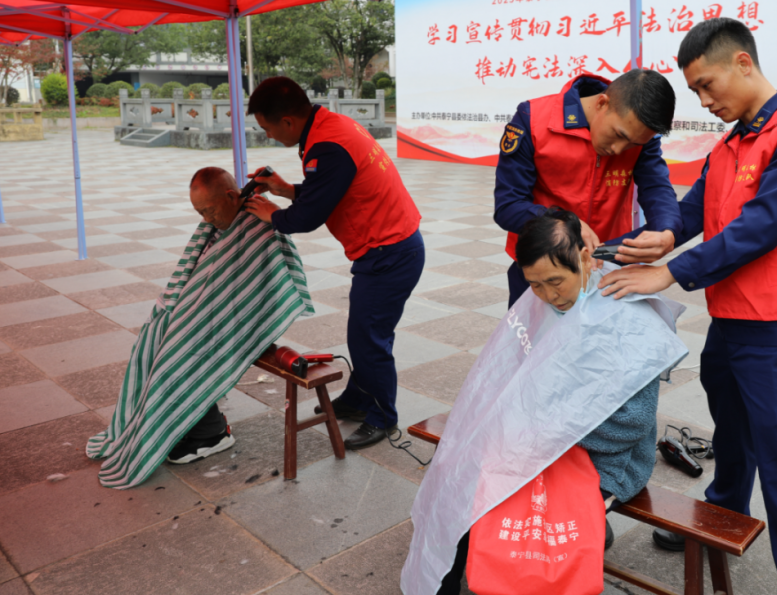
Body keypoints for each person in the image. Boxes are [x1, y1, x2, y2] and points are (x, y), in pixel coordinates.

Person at [599, 18, 777, 595]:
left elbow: (760, 227)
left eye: (707, 85)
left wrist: (668, 272)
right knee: (733, 436)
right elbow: (695, 210)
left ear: (742, 63)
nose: (705, 101)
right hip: (732, 322)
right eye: (696, 91)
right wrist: (657, 238)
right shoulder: (732, 143)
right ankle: (722, 516)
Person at [435, 209, 667, 595]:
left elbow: (633, 421)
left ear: (585, 259)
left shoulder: (626, 316)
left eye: (556, 282)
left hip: (606, 457)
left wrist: (548, 425)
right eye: (535, 285)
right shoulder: (539, 304)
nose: (547, 295)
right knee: (462, 478)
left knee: (516, 504)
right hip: (538, 440)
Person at [87, 167, 314, 488]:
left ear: (231, 196)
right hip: (212, 313)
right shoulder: (219, 222)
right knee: (151, 341)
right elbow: (200, 272)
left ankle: (212, 433)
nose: (207, 219)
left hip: (244, 320)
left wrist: (198, 318)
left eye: (209, 210)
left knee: (177, 354)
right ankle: (181, 422)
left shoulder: (259, 222)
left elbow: (262, 284)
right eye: (200, 213)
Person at [244, 77, 424, 450]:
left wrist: (273, 214)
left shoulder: (327, 146)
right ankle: (359, 399)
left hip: (388, 253)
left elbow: (307, 216)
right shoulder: (331, 126)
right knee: (366, 332)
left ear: (288, 121)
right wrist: (285, 189)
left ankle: (382, 416)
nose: (268, 136)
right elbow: (331, 190)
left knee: (368, 337)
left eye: (267, 129)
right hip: (392, 245)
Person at [494, 69, 682, 307]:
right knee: (535, 331)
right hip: (541, 267)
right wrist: (562, 221)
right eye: (618, 135)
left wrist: (667, 229)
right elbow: (508, 206)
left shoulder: (641, 136)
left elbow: (657, 188)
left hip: (606, 263)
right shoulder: (533, 119)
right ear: (602, 103)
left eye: (632, 144)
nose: (618, 149)